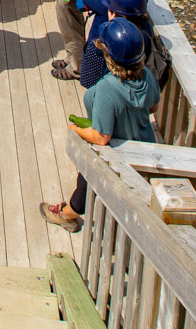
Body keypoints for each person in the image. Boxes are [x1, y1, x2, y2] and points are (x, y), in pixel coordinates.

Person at [38, 19, 160, 232]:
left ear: (109, 56)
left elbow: (101, 136)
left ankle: (67, 215)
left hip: (116, 153)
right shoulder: (147, 76)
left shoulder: (108, 88)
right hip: (144, 146)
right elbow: (153, 107)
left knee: (88, 174)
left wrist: (75, 130)